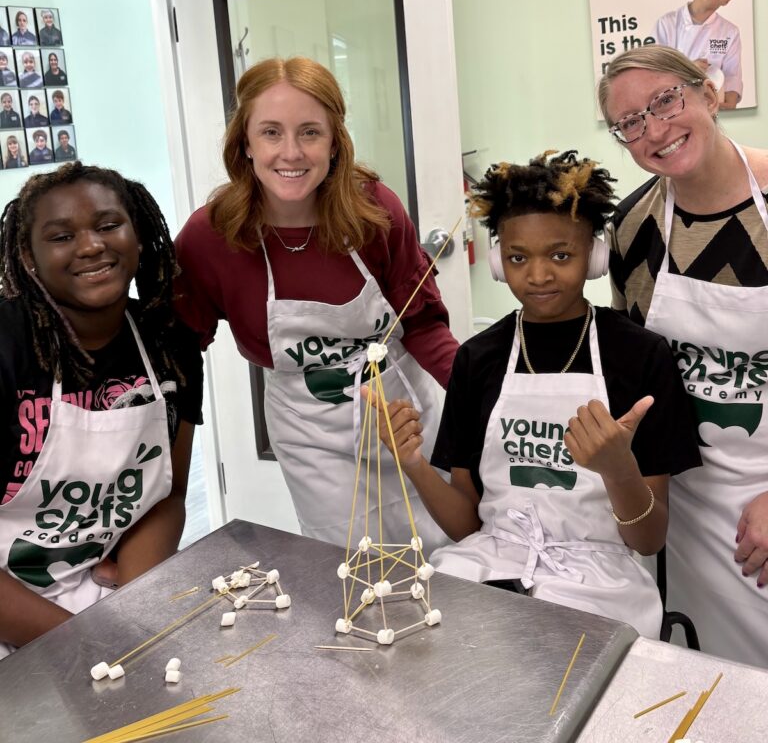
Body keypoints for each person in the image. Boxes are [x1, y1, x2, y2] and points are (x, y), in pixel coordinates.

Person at [376, 151, 701, 638]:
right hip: (490, 565)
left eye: (561, 255)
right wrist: (415, 465)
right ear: (497, 260)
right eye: (518, 258)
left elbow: (649, 539)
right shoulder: (477, 359)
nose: (539, 275)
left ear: (593, 256)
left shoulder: (639, 357)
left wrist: (618, 467)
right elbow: (467, 525)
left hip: (599, 581)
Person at [174, 56, 458, 551]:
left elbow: (426, 325)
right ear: (244, 142)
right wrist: (166, 481)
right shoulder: (210, 236)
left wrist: (490, 400)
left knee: (452, 555)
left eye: (309, 132)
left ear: (334, 142)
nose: (291, 152)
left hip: (406, 417)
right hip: (311, 435)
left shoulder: (375, 212)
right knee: (357, 569)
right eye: (270, 133)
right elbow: (176, 355)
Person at [599, 45, 768, 666]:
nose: (655, 129)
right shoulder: (633, 228)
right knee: (715, 679)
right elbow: (636, 367)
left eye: (666, 100)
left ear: (710, 93)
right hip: (688, 507)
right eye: (631, 123)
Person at [0, 162, 203, 657]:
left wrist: (131, 611)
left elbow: (167, 495)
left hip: (104, 596)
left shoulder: (168, 342)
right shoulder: (6, 347)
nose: (92, 246)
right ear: (29, 256)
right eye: (62, 235)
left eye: (109, 225)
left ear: (137, 234)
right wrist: (87, 645)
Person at [652, 0, 747, 110]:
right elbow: (656, 74)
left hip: (712, 108)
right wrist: (689, 69)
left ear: (727, 0)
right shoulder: (666, 23)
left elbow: (732, 76)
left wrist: (727, 106)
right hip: (673, 107)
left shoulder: (730, 32)